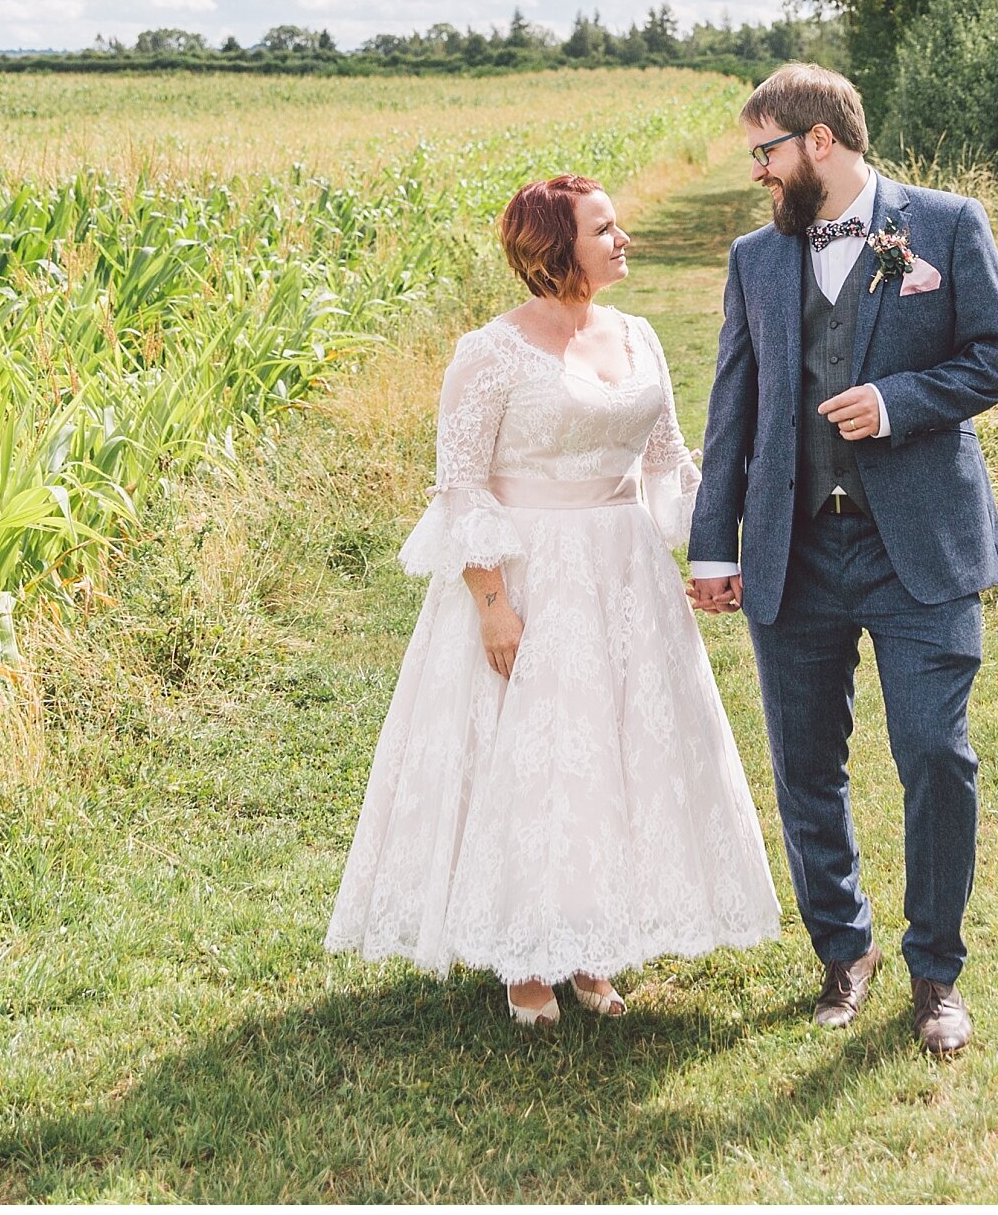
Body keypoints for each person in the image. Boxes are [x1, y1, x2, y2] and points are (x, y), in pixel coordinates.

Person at [326, 173, 780, 1025]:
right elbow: (460, 489)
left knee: (613, 752)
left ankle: (592, 952)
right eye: (602, 228)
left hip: (626, 572)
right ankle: (526, 960)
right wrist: (493, 603)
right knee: (540, 757)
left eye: (617, 225)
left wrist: (729, 538)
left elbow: (669, 465)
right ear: (552, 247)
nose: (621, 239)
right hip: (531, 574)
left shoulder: (638, 335)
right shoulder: (489, 353)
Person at [687, 64, 998, 1058]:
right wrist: (715, 545)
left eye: (765, 151)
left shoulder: (948, 225)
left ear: (819, 142)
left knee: (936, 756)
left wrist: (898, 401)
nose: (757, 171)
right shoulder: (756, 258)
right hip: (796, 547)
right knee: (804, 766)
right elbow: (733, 410)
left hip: (918, 546)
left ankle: (937, 973)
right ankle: (845, 949)